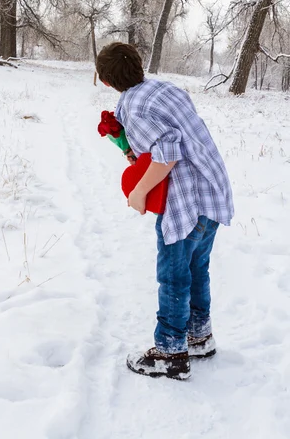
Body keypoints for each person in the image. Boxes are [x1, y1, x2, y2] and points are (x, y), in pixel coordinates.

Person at [96, 42, 234, 380]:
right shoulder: (160, 88)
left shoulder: (134, 106)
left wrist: (140, 191)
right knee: (197, 268)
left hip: (184, 202)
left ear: (106, 81)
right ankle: (199, 337)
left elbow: (168, 153)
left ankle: (170, 352)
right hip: (211, 192)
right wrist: (136, 152)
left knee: (173, 276)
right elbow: (171, 135)